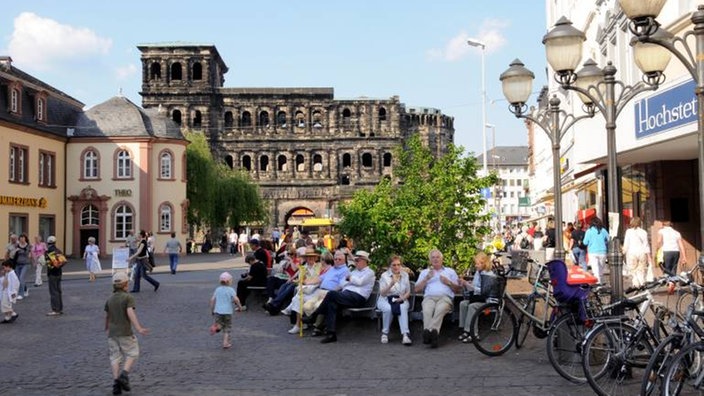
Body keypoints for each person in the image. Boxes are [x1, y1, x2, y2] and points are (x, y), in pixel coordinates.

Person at [305, 250, 375, 344]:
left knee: (331, 294)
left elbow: (360, 282)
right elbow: (342, 283)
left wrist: (349, 279)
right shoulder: (354, 271)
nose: (356, 262)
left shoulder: (370, 272)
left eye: (358, 260)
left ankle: (314, 316)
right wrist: (350, 280)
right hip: (347, 294)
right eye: (355, 260)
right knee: (332, 304)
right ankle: (331, 334)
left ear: (365, 261)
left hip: (358, 297)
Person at [104, 271, 149, 395]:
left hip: (112, 334)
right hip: (125, 332)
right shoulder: (127, 297)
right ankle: (124, 374)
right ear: (126, 285)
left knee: (115, 357)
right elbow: (130, 312)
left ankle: (116, 383)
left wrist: (106, 327)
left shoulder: (109, 299)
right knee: (132, 353)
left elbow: (107, 316)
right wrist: (138, 328)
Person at [415, 249, 460, 348]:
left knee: (440, 309)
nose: (435, 259)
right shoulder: (425, 272)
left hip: (445, 298)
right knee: (427, 310)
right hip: (429, 298)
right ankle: (433, 335)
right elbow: (416, 289)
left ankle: (428, 333)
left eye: (437, 257)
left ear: (442, 259)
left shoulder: (450, 271)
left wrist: (449, 282)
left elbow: (458, 290)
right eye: (433, 257)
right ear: (430, 260)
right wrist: (426, 279)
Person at [457, 252, 495, 343]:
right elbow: (474, 287)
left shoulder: (489, 275)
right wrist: (466, 284)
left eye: (477, 263)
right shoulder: (478, 273)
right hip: (478, 298)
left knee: (472, 306)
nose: (476, 265)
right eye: (476, 263)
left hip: (487, 300)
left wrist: (467, 284)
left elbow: (483, 291)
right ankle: (466, 330)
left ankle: (474, 334)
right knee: (463, 304)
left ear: (483, 263)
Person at [377, 255, 412, 345]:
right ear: (389, 266)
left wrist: (402, 298)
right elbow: (382, 293)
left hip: (401, 298)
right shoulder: (384, 276)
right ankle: (385, 333)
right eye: (394, 265)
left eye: (398, 264)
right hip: (385, 299)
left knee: (403, 307)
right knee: (388, 308)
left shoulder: (405, 275)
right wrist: (391, 283)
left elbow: (408, 292)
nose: (396, 267)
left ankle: (405, 335)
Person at [209, 272, 242, 349]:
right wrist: (240, 307)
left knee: (219, 324)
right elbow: (236, 299)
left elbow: (212, 300)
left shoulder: (218, 289)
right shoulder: (231, 290)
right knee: (227, 327)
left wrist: (212, 310)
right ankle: (225, 343)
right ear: (229, 281)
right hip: (227, 312)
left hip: (218, 311)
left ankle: (216, 328)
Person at [622, 217, 652, 288]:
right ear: (640, 223)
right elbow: (646, 245)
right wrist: (649, 256)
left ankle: (636, 284)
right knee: (641, 270)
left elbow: (626, 244)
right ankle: (642, 284)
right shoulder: (644, 232)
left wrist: (623, 252)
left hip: (631, 253)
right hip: (642, 253)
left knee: (633, 270)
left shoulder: (628, 232)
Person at [583, 217, 609, 284]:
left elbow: (585, 242)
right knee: (601, 269)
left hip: (592, 252)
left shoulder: (589, 231)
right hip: (603, 251)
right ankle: (600, 282)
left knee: (595, 269)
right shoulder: (603, 230)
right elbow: (609, 239)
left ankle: (598, 283)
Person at [45, 236, 64, 316]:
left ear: (48, 242)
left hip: (52, 273)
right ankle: (60, 308)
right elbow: (63, 261)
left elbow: (48, 263)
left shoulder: (48, 251)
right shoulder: (58, 250)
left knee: (53, 292)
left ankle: (55, 310)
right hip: (59, 273)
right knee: (59, 291)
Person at [13, 233, 31, 300]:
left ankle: (21, 294)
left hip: (25, 264)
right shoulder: (17, 245)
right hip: (17, 264)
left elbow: (27, 254)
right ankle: (25, 289)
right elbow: (14, 254)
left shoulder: (28, 246)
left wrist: (21, 250)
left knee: (21, 278)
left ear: (25, 239)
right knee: (18, 279)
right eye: (20, 238)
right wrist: (15, 251)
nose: (22, 239)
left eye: (23, 238)